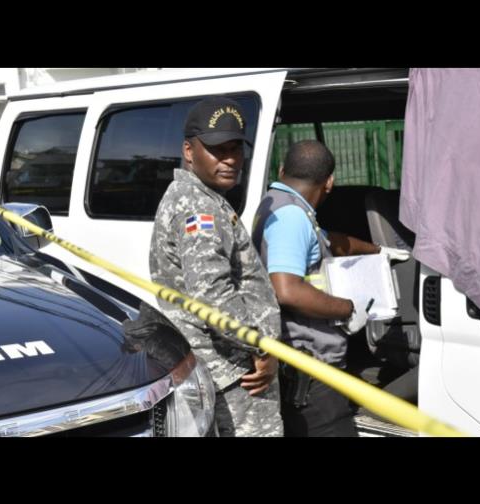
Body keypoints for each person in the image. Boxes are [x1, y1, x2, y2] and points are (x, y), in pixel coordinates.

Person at [251, 139, 410, 436]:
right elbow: (286, 289)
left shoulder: (283, 205)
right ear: (330, 183)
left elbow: (330, 241)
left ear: (283, 169)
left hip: (306, 364)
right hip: (311, 369)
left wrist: (379, 251)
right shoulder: (291, 218)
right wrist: (347, 309)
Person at [148, 96, 283, 437]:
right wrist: (260, 347)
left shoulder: (198, 197)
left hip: (226, 365)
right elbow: (213, 295)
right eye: (217, 149)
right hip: (236, 369)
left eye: (236, 148)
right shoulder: (199, 209)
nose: (230, 159)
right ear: (189, 151)